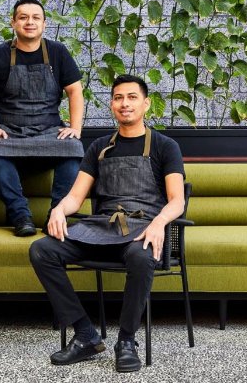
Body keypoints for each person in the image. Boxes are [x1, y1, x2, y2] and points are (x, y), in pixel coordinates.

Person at [29, 74, 185, 373]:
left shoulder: (165, 147)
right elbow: (76, 196)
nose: (124, 104)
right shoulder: (99, 147)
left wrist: (159, 223)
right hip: (101, 230)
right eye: (118, 98)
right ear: (112, 105)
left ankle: (126, 341)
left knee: (142, 257)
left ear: (146, 103)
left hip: (141, 232)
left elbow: (176, 200)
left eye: (131, 97)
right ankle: (85, 334)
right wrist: (59, 211)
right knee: (42, 250)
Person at [0, 0, 85, 237]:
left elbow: (75, 90)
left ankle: (56, 215)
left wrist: (75, 128)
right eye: (23, 17)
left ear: (44, 24)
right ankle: (21, 216)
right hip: (10, 131)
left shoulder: (57, 52)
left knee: (74, 150)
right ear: (13, 23)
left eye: (36, 18)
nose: (30, 22)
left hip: (48, 130)